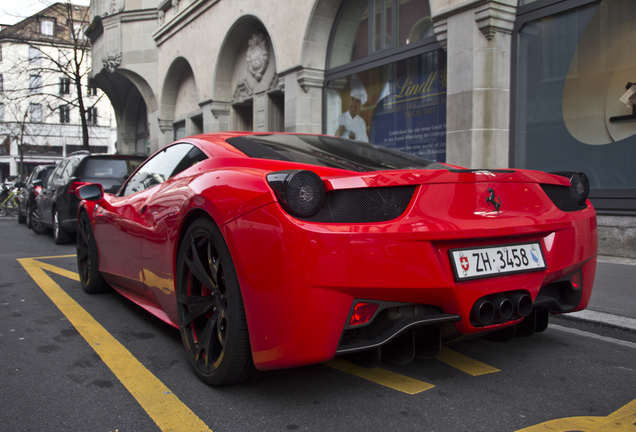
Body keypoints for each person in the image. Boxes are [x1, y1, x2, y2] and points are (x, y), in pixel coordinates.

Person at [335, 74, 369, 142]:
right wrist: (338, 133)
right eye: (352, 99)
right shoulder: (341, 118)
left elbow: (365, 143)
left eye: (357, 101)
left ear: (359, 104)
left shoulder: (361, 122)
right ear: (349, 100)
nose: (354, 104)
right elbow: (331, 139)